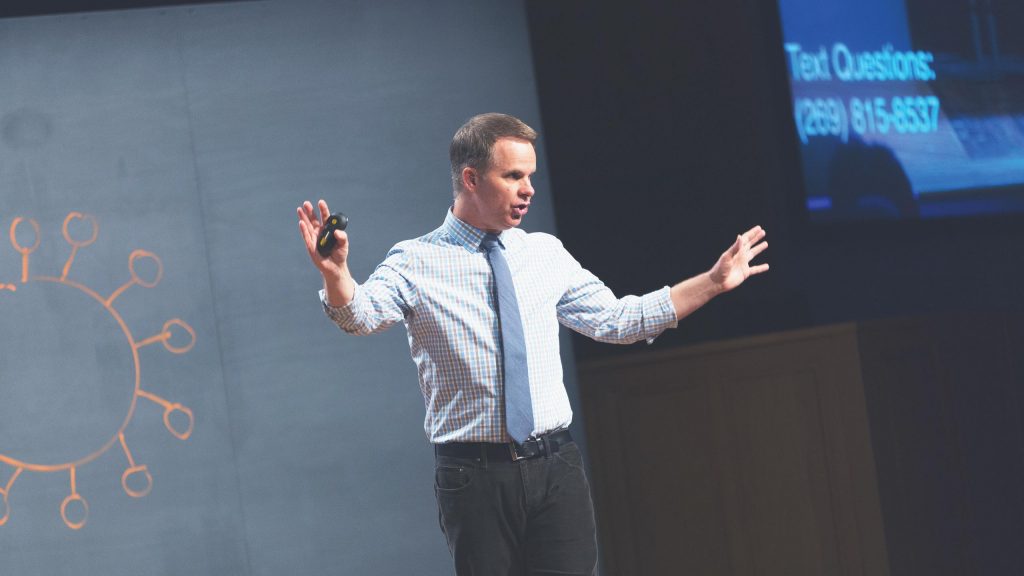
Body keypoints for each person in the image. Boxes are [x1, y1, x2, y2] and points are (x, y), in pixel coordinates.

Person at [296, 113, 768, 576]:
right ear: (471, 179)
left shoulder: (544, 253)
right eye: (513, 176)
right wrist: (336, 275)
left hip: (556, 466)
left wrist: (712, 282)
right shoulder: (415, 260)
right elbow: (360, 317)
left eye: (531, 176)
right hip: (474, 476)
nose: (528, 189)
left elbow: (618, 321)